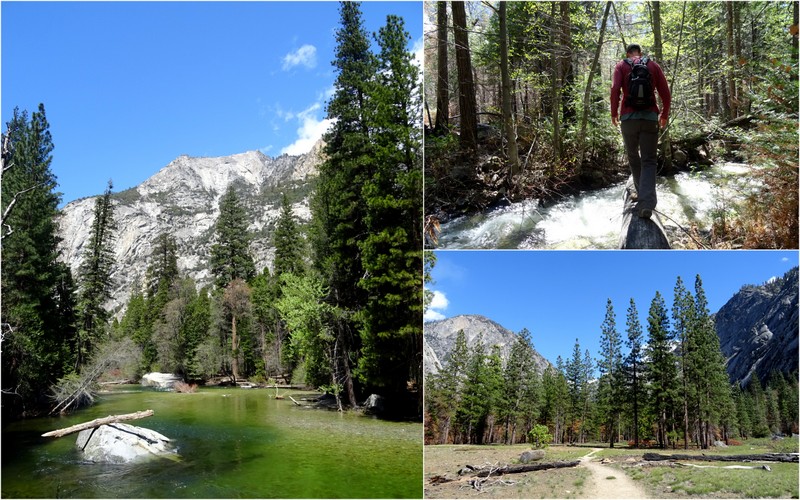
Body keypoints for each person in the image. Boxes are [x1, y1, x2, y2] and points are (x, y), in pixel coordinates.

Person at [611, 44, 671, 219]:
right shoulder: (653, 65)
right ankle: (646, 203)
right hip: (650, 118)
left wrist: (614, 113)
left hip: (628, 119)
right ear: (640, 53)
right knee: (649, 160)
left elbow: (615, 90)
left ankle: (640, 195)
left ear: (627, 54)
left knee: (633, 156)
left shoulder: (621, 66)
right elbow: (665, 93)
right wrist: (664, 114)